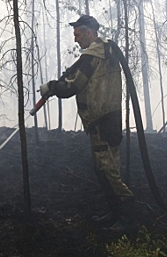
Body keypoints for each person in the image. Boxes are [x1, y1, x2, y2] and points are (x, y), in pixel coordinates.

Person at [39, 15, 134, 230]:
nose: (76, 40)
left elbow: (73, 86)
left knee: (107, 171)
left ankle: (127, 220)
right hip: (109, 119)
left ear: (89, 33)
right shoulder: (104, 51)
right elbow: (77, 76)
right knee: (106, 169)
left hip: (102, 121)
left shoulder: (93, 56)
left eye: (78, 35)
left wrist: (52, 87)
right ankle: (115, 214)